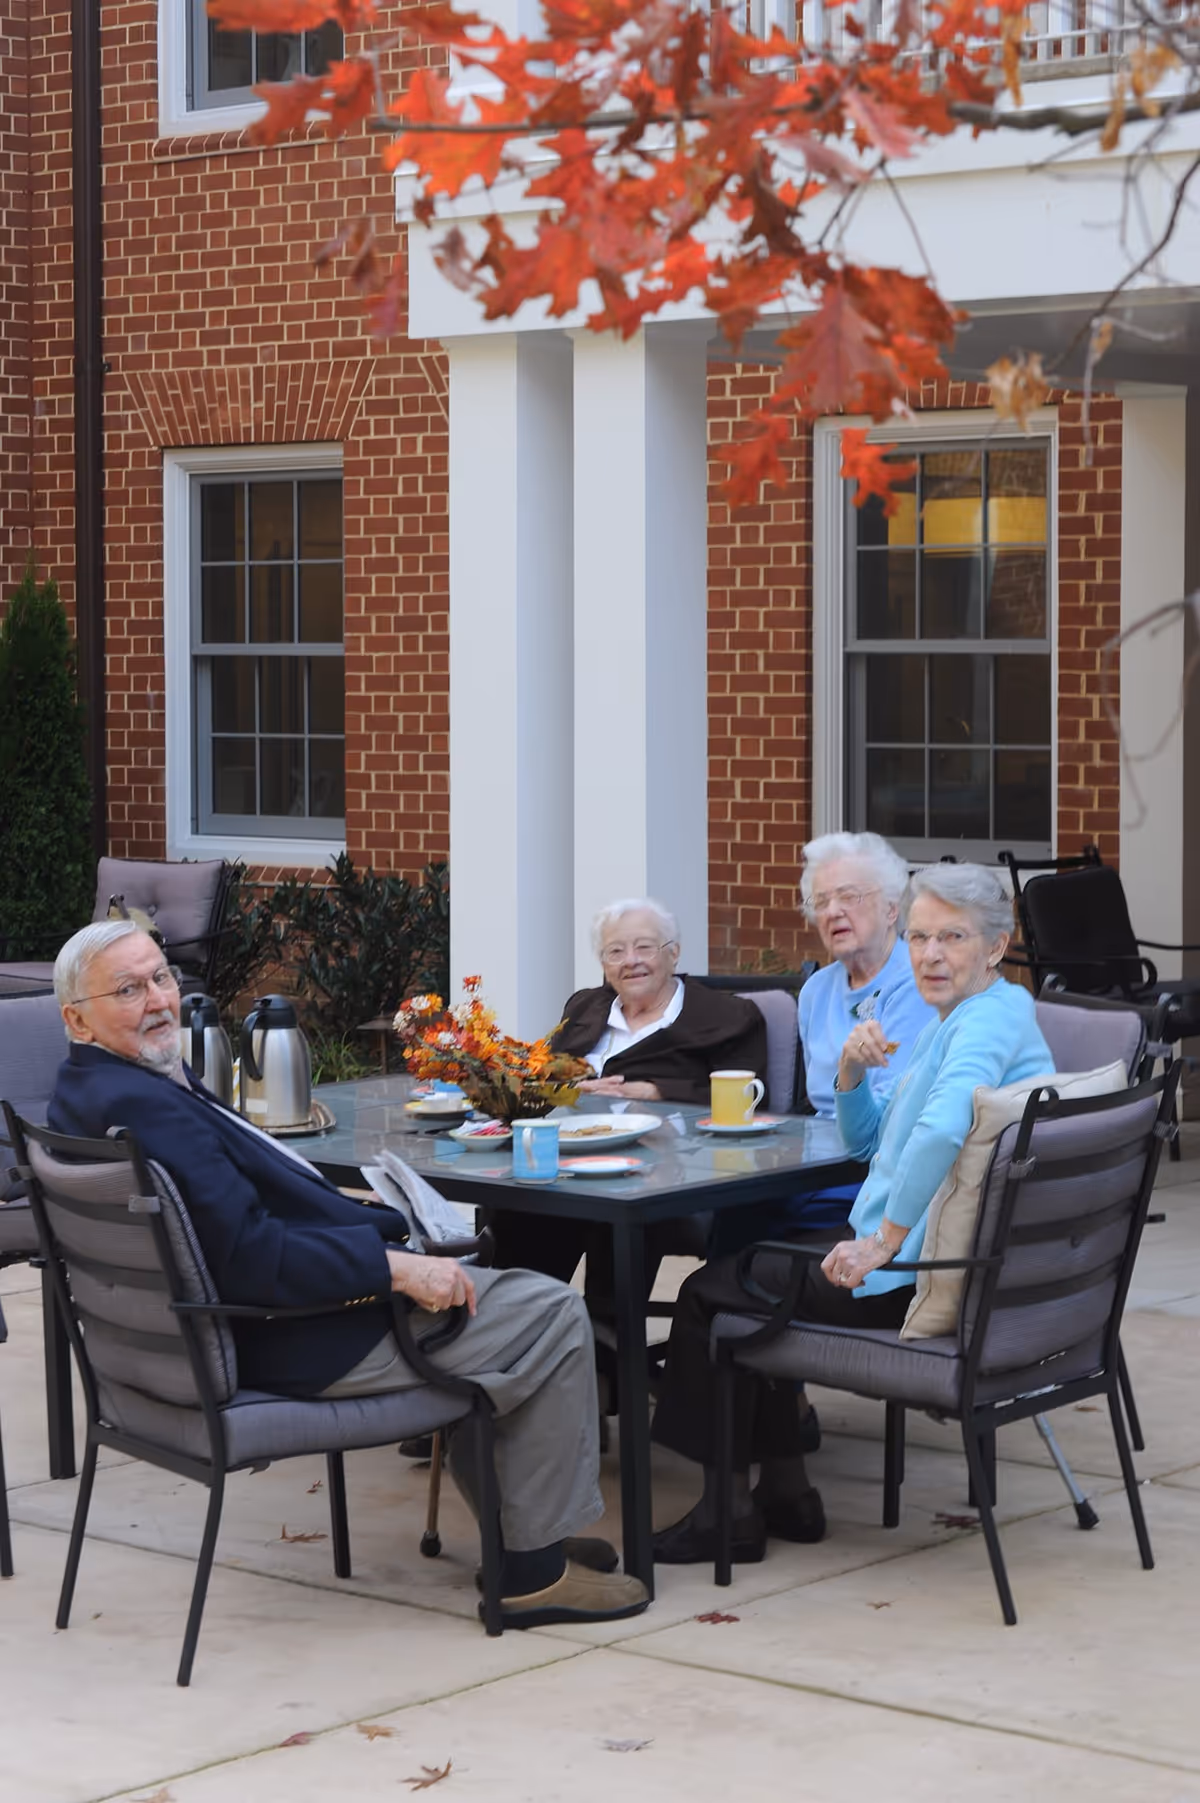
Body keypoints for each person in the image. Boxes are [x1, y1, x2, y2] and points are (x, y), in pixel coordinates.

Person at [46, 920, 650, 1631]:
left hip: (196, 1343)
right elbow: (251, 1258)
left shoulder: (81, 1096)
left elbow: (230, 1230)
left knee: (498, 1297)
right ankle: (531, 1571)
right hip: (296, 1337)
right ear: (74, 1016)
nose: (157, 1000)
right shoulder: (145, 1108)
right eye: (127, 988)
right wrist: (394, 1267)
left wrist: (361, 1221)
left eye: (161, 978)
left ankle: (524, 1522)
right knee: (545, 1312)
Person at [649, 862, 1052, 1565]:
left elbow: (941, 1128)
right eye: (921, 936)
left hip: (917, 1276)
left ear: (996, 944)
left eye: (951, 937)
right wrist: (850, 1072)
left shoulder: (982, 1024)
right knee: (758, 1270)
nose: (929, 954)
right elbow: (866, 1139)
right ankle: (785, 1490)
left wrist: (882, 1242)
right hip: (953, 1267)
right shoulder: (972, 1014)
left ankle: (728, 1512)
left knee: (710, 1294)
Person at [490, 898, 768, 1286]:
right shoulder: (585, 1007)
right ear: (604, 964)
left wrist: (657, 1091)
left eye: (644, 947)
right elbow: (539, 1075)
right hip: (568, 1161)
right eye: (615, 951)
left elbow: (750, 1098)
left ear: (674, 953)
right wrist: (569, 1089)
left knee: (616, 1206)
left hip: (664, 1171)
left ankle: (609, 1338)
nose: (630, 960)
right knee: (518, 1203)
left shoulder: (727, 1016)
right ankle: (526, 1321)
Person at [709, 831, 935, 1256]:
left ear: (891, 908)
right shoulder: (816, 990)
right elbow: (814, 1108)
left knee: (746, 1245)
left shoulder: (919, 985)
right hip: (812, 1169)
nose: (833, 912)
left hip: (872, 1178)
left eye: (849, 896)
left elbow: (891, 1123)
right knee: (733, 1210)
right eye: (821, 902)